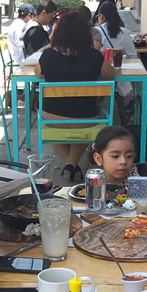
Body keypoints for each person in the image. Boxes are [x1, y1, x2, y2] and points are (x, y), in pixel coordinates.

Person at [36, 11, 115, 182]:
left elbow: (37, 73)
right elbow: (111, 73)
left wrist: (52, 45)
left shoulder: (48, 56)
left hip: (52, 118)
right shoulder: (93, 56)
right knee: (79, 125)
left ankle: (70, 164)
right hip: (86, 119)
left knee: (50, 129)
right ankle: (72, 163)